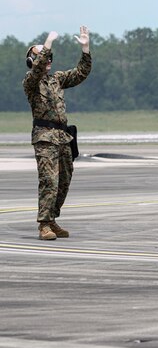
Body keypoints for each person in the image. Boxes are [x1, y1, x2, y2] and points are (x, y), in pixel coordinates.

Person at [24, 26, 92, 241]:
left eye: (50, 56)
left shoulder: (57, 79)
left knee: (64, 181)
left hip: (63, 138)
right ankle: (44, 224)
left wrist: (86, 50)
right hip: (45, 138)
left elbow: (80, 73)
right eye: (44, 56)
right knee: (49, 181)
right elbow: (36, 70)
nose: (48, 60)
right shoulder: (31, 83)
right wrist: (47, 44)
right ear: (32, 61)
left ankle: (52, 218)